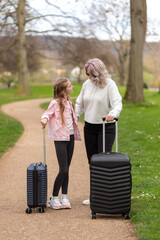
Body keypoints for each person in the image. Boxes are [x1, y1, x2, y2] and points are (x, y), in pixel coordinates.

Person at [75, 58, 122, 205]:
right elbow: (79, 103)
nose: (90, 78)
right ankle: (95, 195)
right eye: (88, 75)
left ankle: (106, 196)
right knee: (92, 162)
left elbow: (117, 103)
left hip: (105, 127)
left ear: (100, 73)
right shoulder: (86, 85)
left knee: (103, 161)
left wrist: (113, 114)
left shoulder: (110, 84)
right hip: (89, 127)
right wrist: (74, 119)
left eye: (93, 75)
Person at [41, 77, 81, 210]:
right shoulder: (55, 103)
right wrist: (45, 119)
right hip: (60, 139)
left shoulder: (69, 102)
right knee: (63, 169)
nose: (72, 87)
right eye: (70, 86)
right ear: (63, 91)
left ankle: (64, 196)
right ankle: (53, 197)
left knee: (66, 169)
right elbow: (47, 113)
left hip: (70, 137)